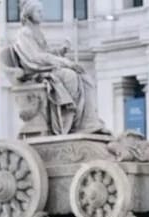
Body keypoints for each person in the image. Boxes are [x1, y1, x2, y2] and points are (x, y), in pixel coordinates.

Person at [9, 0, 106, 135]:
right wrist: (65, 62)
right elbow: (36, 57)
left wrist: (62, 51)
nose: (42, 15)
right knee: (71, 76)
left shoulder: (37, 32)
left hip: (47, 67)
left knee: (85, 78)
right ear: (30, 13)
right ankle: (68, 122)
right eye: (39, 12)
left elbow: (46, 53)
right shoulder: (25, 33)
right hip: (38, 72)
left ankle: (88, 121)